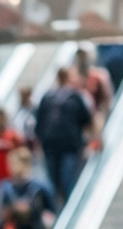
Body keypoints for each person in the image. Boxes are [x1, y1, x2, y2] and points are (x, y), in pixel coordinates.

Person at [36, 68, 94, 206]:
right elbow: (39, 125)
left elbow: (86, 121)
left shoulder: (73, 97)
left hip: (68, 148)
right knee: (55, 183)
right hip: (53, 148)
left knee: (67, 181)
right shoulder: (50, 97)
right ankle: (60, 210)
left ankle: (68, 209)